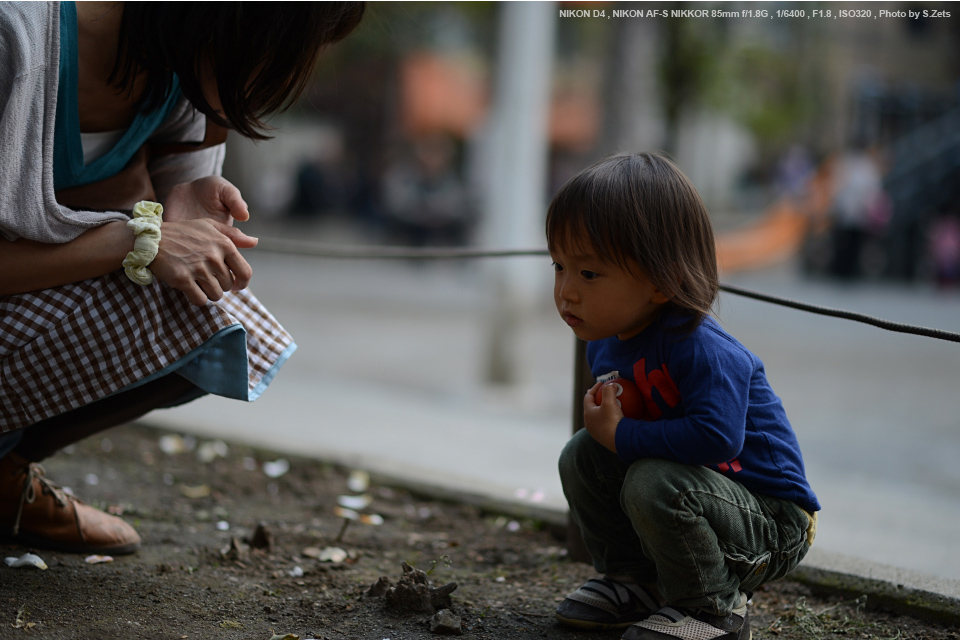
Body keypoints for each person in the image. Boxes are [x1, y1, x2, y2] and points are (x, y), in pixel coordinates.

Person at [0, 2, 365, 555]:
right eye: (285, 50)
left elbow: (152, 215)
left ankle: (4, 471)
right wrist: (140, 239)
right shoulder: (18, 40)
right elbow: (128, 233)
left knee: (208, 312)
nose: (289, 74)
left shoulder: (185, 71)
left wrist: (183, 202)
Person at [547, 152, 820, 640]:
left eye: (588, 274)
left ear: (661, 280)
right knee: (582, 456)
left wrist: (623, 433)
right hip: (696, 495)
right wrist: (614, 426)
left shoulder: (702, 348)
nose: (566, 291)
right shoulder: (604, 343)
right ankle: (635, 582)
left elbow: (717, 439)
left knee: (652, 481)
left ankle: (712, 609)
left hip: (770, 519)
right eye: (559, 266)